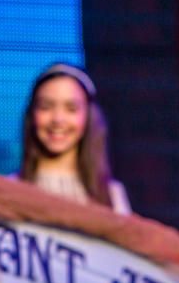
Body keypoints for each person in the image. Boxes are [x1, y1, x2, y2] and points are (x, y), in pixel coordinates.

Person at [16, 63, 131, 215]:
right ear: (32, 115)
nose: (58, 119)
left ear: (88, 117)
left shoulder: (111, 195)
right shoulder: (10, 188)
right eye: (46, 107)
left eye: (71, 108)